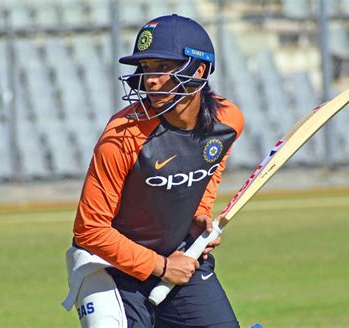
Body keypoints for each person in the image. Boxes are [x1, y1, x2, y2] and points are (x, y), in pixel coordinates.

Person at [67, 14, 244, 327]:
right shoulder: (121, 136)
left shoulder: (228, 122)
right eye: (147, 69)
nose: (150, 80)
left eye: (163, 67)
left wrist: (198, 214)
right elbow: (90, 230)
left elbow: (209, 168)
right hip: (107, 266)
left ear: (199, 69)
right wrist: (161, 266)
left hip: (178, 256)